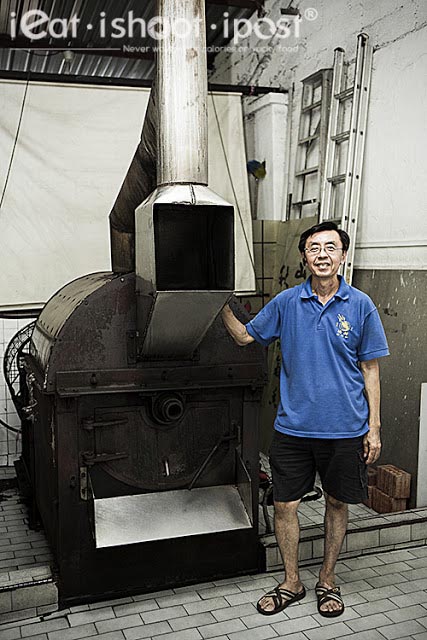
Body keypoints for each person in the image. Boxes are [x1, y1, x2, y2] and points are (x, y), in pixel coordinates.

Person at [221, 221, 389, 618]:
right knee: (285, 507)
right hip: (292, 430)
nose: (322, 255)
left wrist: (374, 427)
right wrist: (218, 303)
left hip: (345, 429)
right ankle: (291, 581)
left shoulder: (361, 305)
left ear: (342, 255)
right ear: (304, 258)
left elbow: (371, 370)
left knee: (336, 502)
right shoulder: (286, 303)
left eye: (331, 247)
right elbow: (246, 336)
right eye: (314, 248)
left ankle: (327, 580)